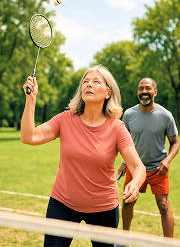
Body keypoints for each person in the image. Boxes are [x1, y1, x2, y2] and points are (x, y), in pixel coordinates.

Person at [21, 64, 146, 247]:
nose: (89, 85)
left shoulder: (117, 128)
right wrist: (31, 100)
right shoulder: (65, 119)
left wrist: (135, 184)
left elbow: (138, 167)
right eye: (86, 82)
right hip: (62, 203)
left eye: (96, 82)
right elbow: (29, 136)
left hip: (103, 208)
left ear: (108, 93)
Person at [118, 77, 179, 238]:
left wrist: (167, 160)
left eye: (148, 88)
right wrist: (125, 161)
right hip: (135, 167)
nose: (144, 92)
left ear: (155, 92)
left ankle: (168, 243)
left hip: (158, 168)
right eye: (141, 89)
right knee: (128, 202)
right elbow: (125, 141)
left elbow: (175, 142)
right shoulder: (129, 115)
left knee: (164, 205)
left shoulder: (166, 115)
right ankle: (124, 239)